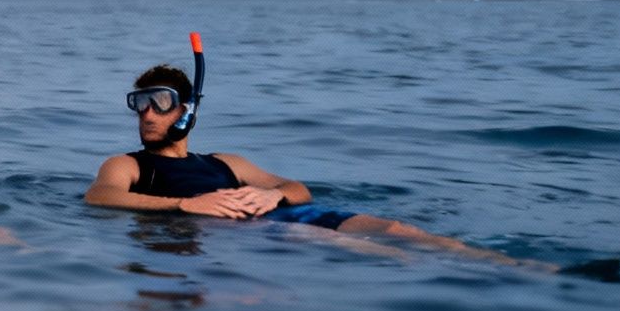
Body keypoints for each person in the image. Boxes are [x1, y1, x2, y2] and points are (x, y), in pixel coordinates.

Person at [85, 63, 529, 261]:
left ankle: (529, 271)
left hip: (281, 216)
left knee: (398, 231)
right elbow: (101, 196)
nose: (147, 114)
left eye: (159, 102)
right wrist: (184, 205)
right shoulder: (130, 165)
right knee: (380, 253)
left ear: (186, 111)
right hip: (248, 235)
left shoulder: (226, 161)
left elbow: (299, 189)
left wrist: (272, 195)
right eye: (138, 103)